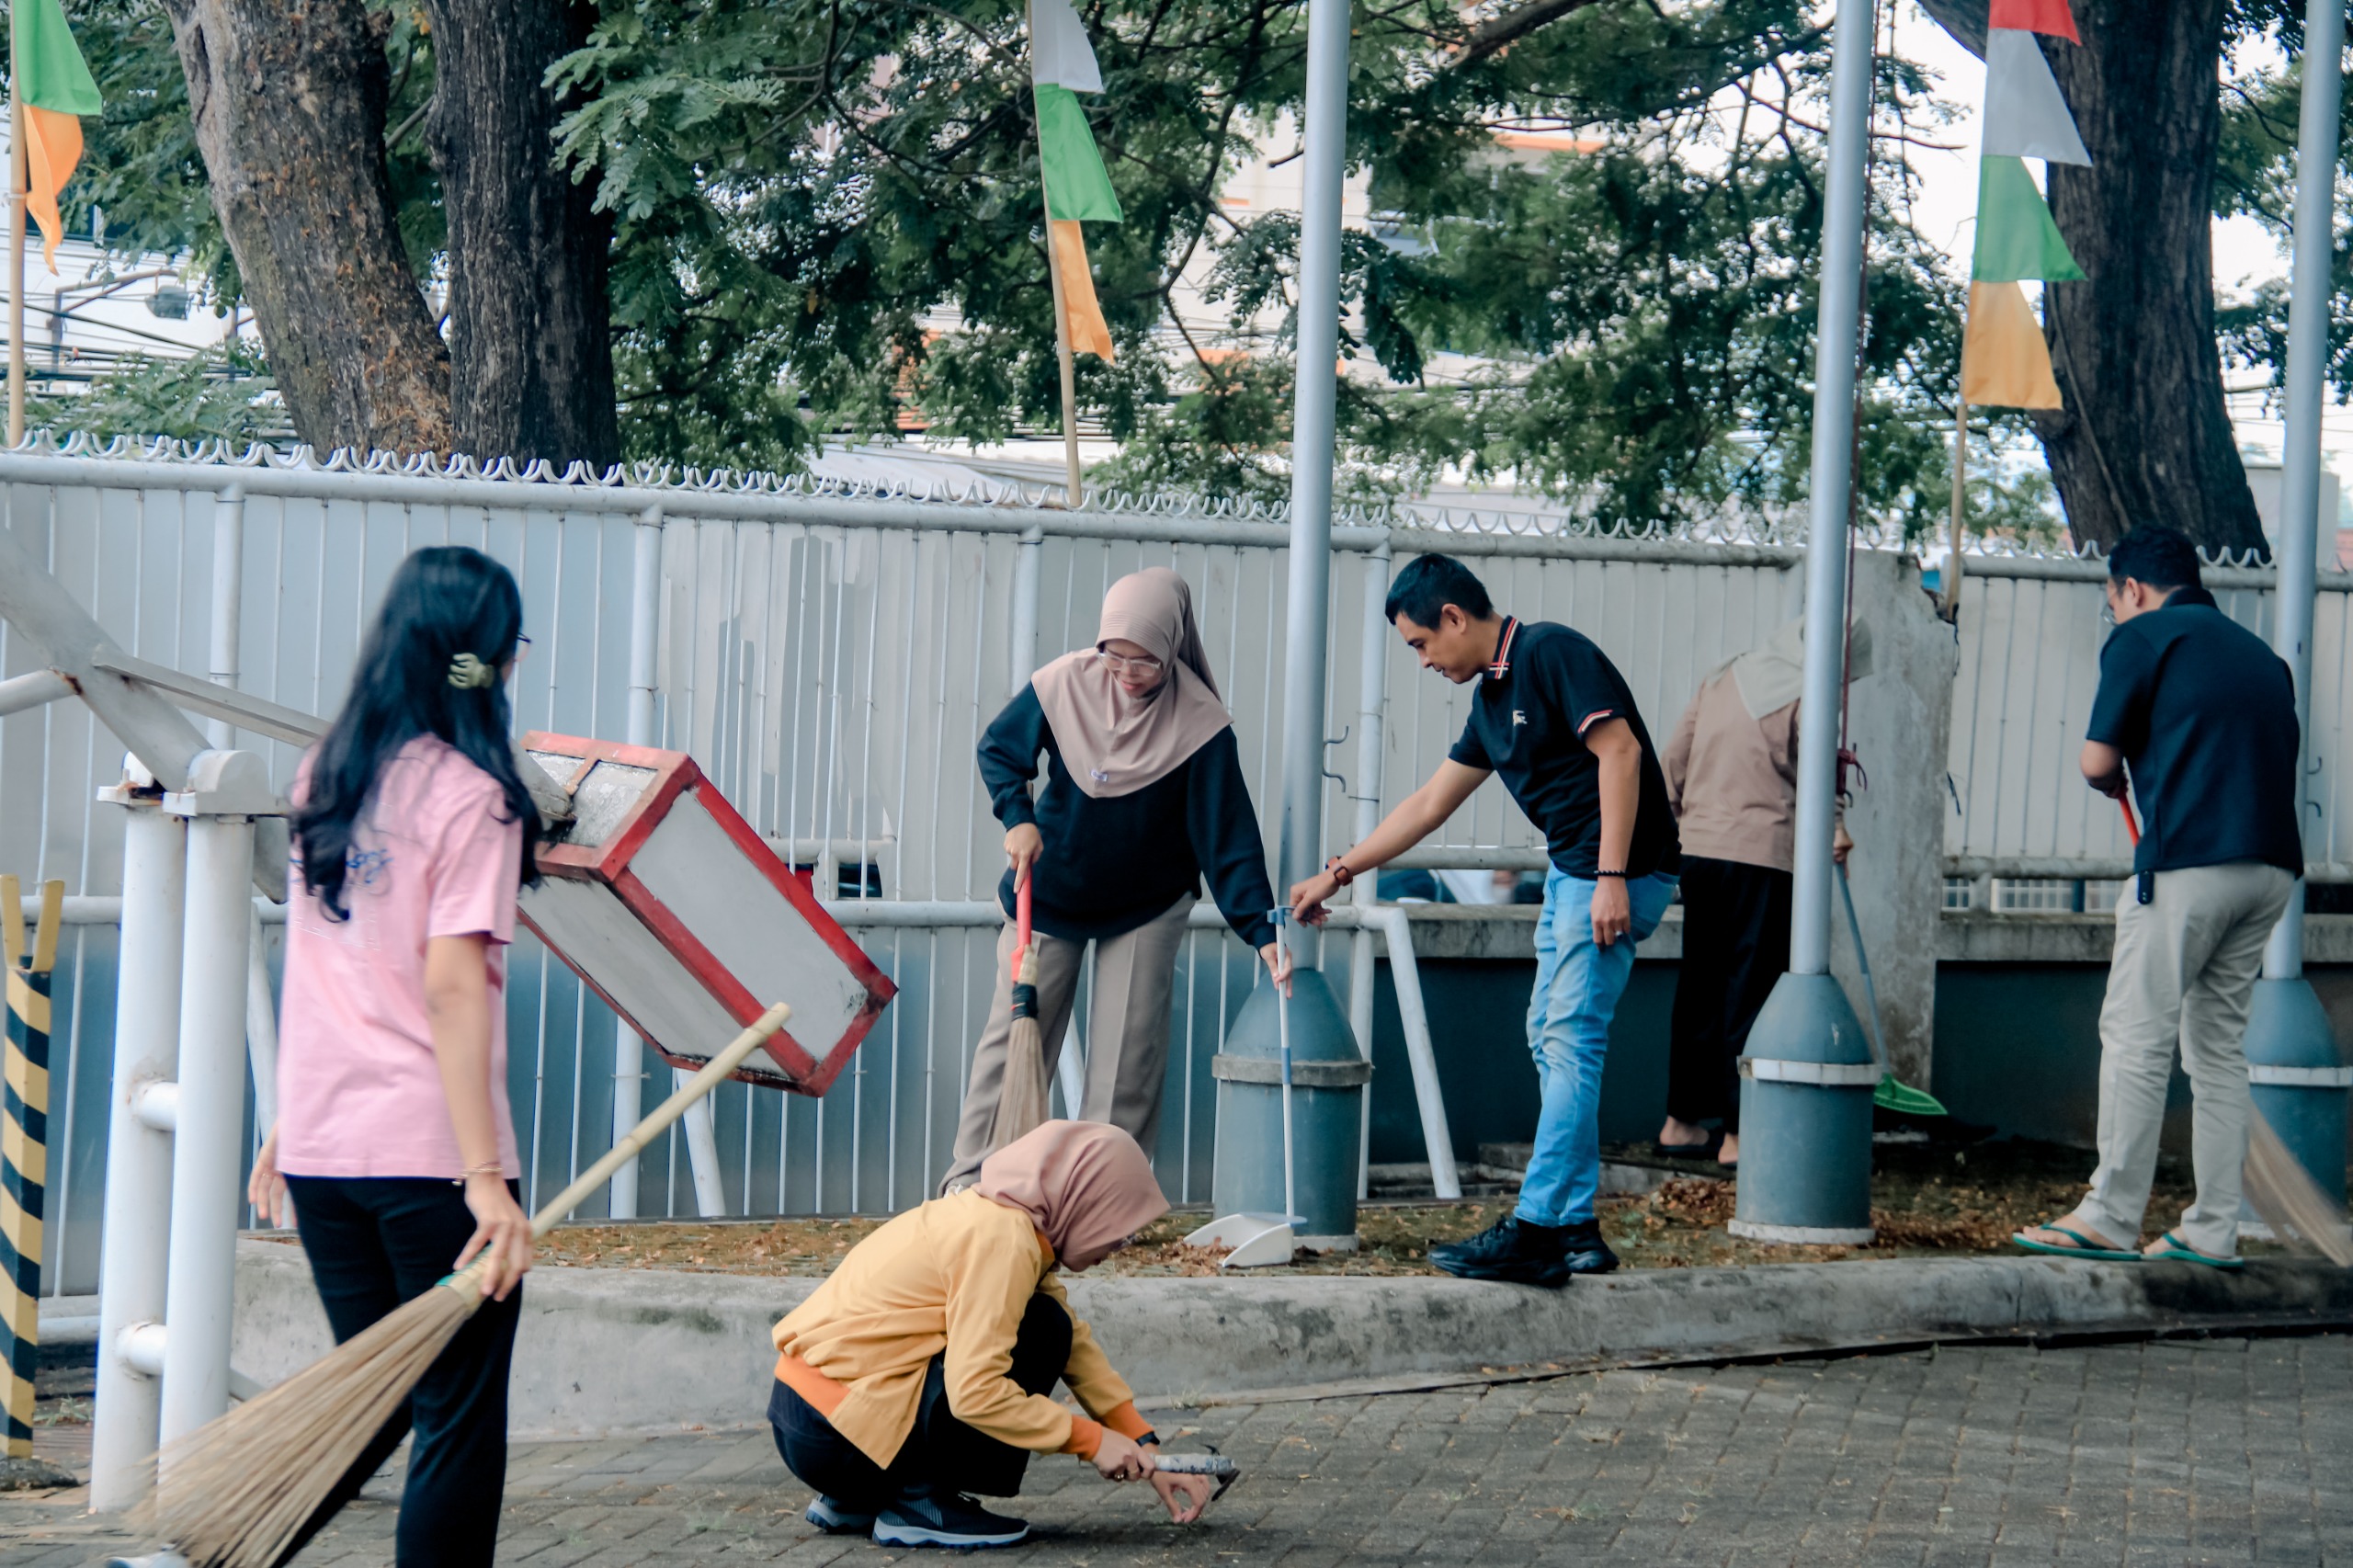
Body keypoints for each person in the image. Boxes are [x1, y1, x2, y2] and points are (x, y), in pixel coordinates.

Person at [244, 545, 541, 1567]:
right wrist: (487, 1182)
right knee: (453, 1414)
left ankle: (219, 1545)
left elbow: (326, 959)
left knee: (369, 1398)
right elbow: (450, 985)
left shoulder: (326, 774)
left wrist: (292, 1113)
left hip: (325, 1146)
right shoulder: (476, 797)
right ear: (492, 660)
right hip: (427, 1153)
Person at [1290, 553, 1680, 1287]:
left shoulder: (1550, 652)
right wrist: (1337, 872)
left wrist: (1612, 876)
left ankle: (1535, 1228)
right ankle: (1574, 1227)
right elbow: (1428, 806)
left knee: (1568, 1042)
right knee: (1554, 1038)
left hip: (1610, 875)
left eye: (1420, 644)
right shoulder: (1491, 701)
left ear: (1454, 618)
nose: (1423, 661)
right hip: (1581, 876)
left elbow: (1620, 751)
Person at [941, 567, 1288, 1193]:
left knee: (1126, 1063)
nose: (1128, 674)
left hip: (1148, 905)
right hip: (1049, 893)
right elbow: (1000, 750)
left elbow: (1227, 835)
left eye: (1146, 662)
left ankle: (1101, 1201)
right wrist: (1017, 816)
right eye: (1114, 657)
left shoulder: (1203, 723)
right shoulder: (1061, 685)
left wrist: (1261, 928)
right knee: (1013, 1044)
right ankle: (973, 1186)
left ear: (1173, 649)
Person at [2015, 526, 2302, 1269]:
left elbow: (2095, 760)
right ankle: (2211, 1228)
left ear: (2131, 589)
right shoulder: (2263, 659)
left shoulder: (2142, 639)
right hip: (2269, 872)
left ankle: (2109, 1216)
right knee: (2218, 1053)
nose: (2114, 614)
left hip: (2186, 866)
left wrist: (2112, 776)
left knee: (2137, 1037)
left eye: (2113, 601)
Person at [770, 1120, 1217, 1548]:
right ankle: (918, 1499)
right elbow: (976, 1392)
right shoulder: (1004, 1241)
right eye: (1117, 1225)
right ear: (1082, 1202)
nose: (1122, 1243)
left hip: (809, 1424)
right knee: (1042, 1330)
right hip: (839, 1438)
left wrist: (1145, 1447)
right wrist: (1091, 1441)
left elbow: (1078, 1348)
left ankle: (861, 1495)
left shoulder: (994, 1219)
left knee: (1049, 1322)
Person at [1655, 618, 1864, 1170]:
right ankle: (1740, 1135)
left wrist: (1689, 824)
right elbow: (1819, 773)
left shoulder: (1723, 676)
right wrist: (1835, 830)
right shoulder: (1810, 691)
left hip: (1700, 854)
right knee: (1750, 994)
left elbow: (1672, 760)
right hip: (1764, 859)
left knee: (1699, 987)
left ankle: (1680, 1122)